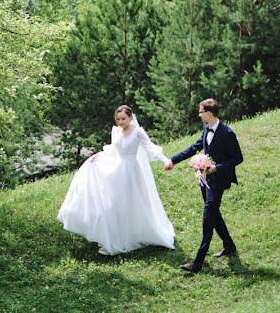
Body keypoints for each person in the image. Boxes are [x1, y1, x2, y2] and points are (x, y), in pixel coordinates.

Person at [57, 105, 175, 255]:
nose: (120, 122)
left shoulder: (138, 132)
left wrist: (166, 160)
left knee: (127, 204)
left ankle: (127, 236)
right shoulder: (116, 131)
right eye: (118, 119)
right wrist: (98, 155)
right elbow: (114, 149)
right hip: (115, 170)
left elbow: (150, 147)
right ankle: (110, 237)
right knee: (112, 203)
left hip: (131, 172)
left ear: (131, 117)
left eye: (123, 119)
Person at [164, 98, 243, 273]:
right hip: (205, 181)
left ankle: (198, 262)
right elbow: (195, 147)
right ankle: (229, 245)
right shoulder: (206, 128)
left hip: (218, 182)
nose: (199, 115)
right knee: (214, 215)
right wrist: (173, 160)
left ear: (208, 113)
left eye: (200, 112)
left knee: (208, 219)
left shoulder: (227, 133)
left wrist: (216, 168)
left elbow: (238, 158)